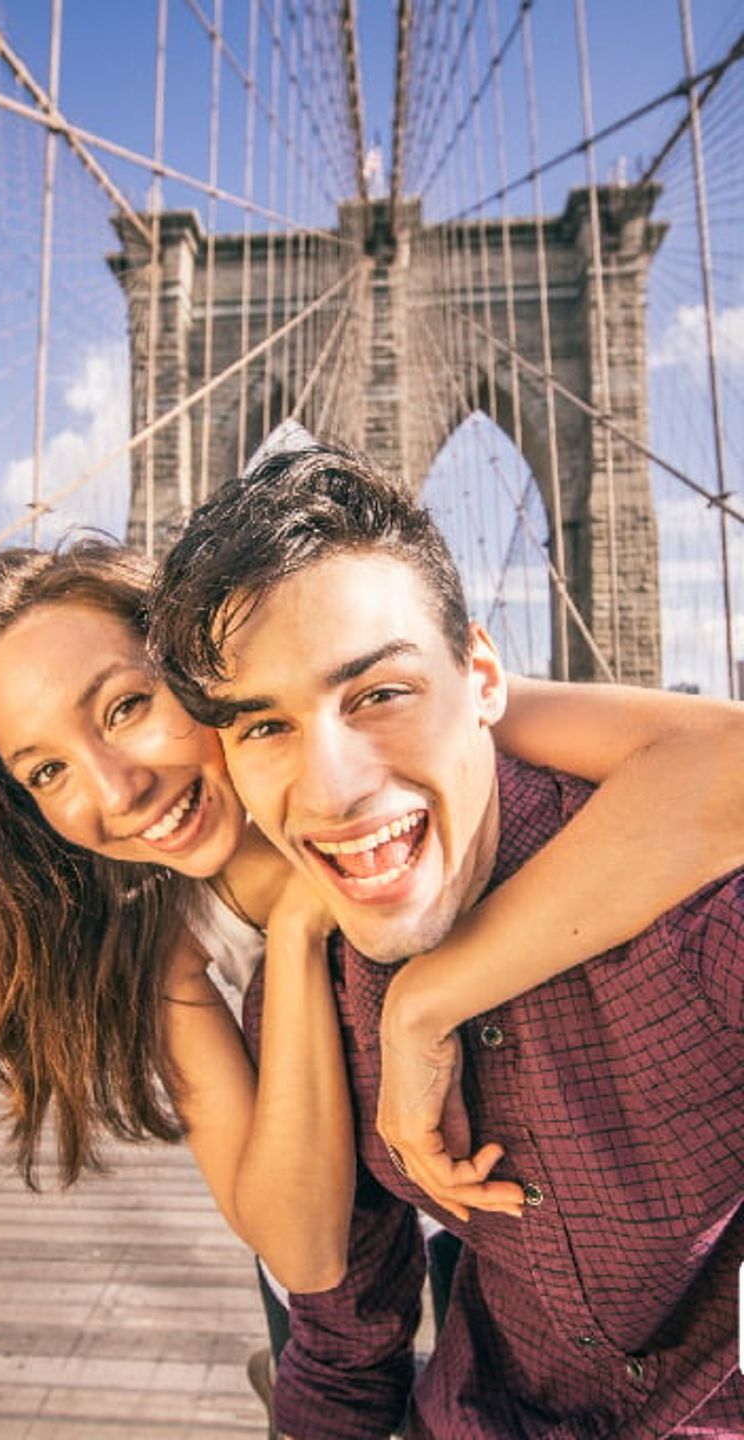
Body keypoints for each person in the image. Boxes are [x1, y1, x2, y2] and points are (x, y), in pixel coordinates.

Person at [148, 441, 744, 1437]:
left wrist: (424, 1006)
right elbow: (342, 1342)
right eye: (263, 728)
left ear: (482, 678)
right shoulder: (315, 992)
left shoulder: (705, 918)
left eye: (379, 694)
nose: (333, 789)